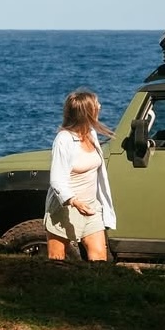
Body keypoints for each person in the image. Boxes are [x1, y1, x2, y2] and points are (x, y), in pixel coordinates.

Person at [44, 89, 116, 261]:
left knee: (99, 258)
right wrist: (75, 202)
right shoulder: (64, 140)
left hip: (91, 207)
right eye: (96, 104)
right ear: (86, 113)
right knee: (57, 260)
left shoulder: (91, 134)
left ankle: (94, 288)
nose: (100, 106)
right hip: (65, 209)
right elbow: (57, 179)